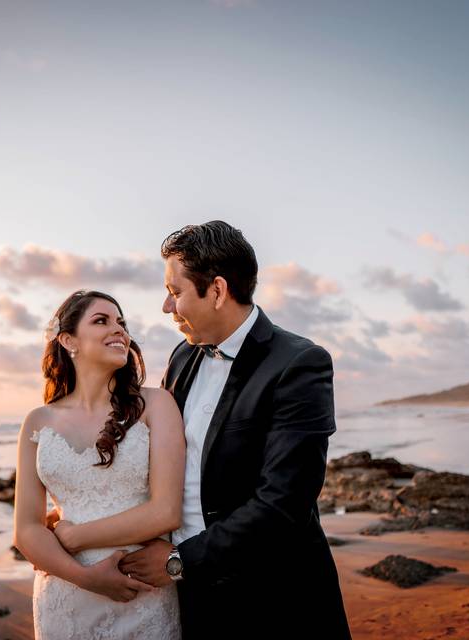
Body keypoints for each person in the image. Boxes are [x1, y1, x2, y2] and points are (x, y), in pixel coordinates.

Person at [118, 221, 352, 638]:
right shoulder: (180, 357)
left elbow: (282, 504)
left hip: (273, 599)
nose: (167, 307)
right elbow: (164, 459)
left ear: (218, 291)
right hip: (189, 599)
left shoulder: (298, 363)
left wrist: (179, 560)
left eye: (175, 292)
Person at [13, 290, 186, 640]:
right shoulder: (38, 421)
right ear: (68, 340)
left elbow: (166, 511)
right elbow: (27, 529)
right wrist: (86, 578)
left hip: (141, 592)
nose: (119, 330)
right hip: (64, 596)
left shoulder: (156, 404)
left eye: (121, 322)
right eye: (101, 321)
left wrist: (75, 535)